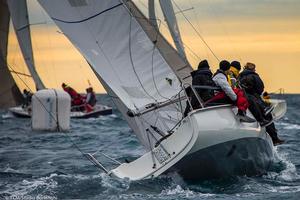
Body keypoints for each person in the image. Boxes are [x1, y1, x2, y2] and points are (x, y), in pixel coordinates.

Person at [239, 62, 284, 145]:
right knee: (268, 116)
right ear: (253, 69)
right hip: (254, 97)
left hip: (244, 97)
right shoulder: (255, 76)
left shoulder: (240, 76)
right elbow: (261, 88)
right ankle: (274, 139)